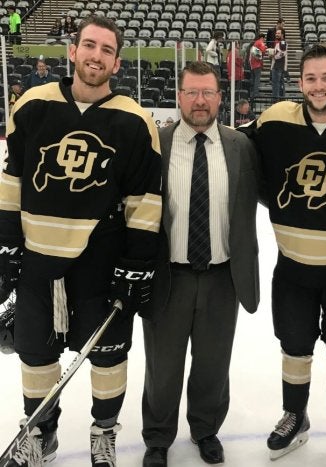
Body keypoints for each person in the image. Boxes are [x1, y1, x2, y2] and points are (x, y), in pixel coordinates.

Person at [0, 15, 162, 466]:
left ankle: (104, 433)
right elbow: (12, 180)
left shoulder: (134, 120)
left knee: (108, 355)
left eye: (106, 50)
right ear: (72, 51)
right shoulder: (32, 105)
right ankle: (41, 434)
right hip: (38, 260)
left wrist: (137, 262)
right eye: (89, 45)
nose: (96, 55)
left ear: (117, 62)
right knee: (35, 355)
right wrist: (6, 241)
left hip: (100, 263)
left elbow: (144, 200)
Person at [239, 42, 326, 467]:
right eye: (311, 78)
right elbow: (237, 152)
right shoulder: (276, 121)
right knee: (295, 347)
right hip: (294, 269)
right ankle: (295, 416)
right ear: (300, 82)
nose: (318, 86)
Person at [141, 61, 260, 467]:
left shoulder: (240, 146)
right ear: (179, 96)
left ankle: (205, 429)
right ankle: (158, 438)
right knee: (163, 367)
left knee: (213, 363)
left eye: (208, 92)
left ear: (220, 97)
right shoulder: (156, 143)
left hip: (221, 276)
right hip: (168, 276)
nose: (199, 100)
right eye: (191, 92)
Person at [249, 33, 268, 100]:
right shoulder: (260, 42)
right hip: (257, 64)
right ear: (262, 38)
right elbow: (263, 50)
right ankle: (256, 93)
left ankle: (253, 93)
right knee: (257, 79)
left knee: (254, 79)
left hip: (253, 64)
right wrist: (266, 48)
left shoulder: (255, 43)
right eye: (264, 39)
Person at [270, 28, 288, 102]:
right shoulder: (278, 42)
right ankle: (281, 100)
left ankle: (275, 101)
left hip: (278, 66)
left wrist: (274, 55)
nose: (276, 34)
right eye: (276, 33)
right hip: (278, 66)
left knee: (276, 85)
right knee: (279, 84)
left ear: (282, 35)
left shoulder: (282, 42)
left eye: (278, 33)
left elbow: (282, 53)